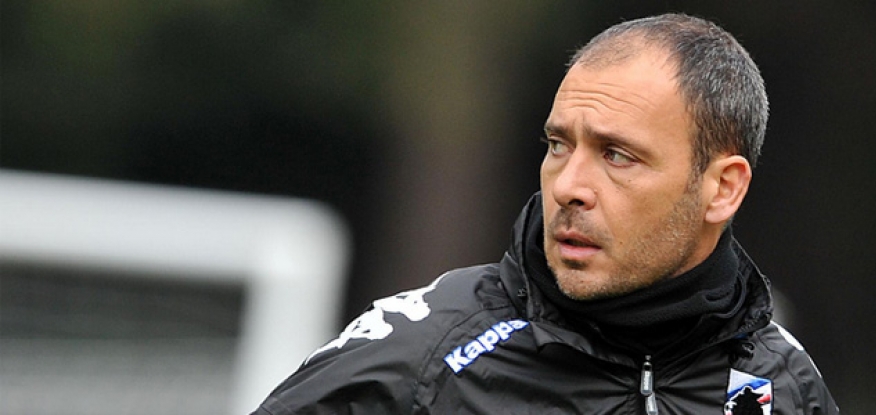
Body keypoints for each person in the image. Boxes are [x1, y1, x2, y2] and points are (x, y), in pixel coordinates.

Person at [251, 13, 838, 414]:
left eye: (617, 155)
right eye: (559, 145)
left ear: (723, 189)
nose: (570, 186)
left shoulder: (783, 382)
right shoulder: (420, 356)